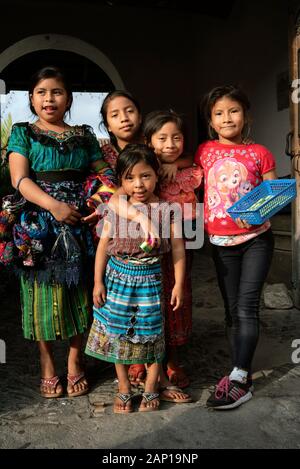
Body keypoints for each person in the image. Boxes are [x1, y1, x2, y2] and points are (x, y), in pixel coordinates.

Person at [7, 66, 112, 398]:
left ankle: (74, 360)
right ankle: (47, 364)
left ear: (68, 99)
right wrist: (54, 206)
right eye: (41, 92)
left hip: (79, 223)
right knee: (39, 297)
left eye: (56, 92)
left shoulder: (84, 135)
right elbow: (19, 179)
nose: (49, 98)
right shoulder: (23, 133)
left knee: (78, 293)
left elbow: (108, 176)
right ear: (31, 99)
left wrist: (97, 204)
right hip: (35, 225)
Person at [89, 91, 193, 391]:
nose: (124, 117)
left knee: (162, 310)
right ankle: (137, 368)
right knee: (127, 316)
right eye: (114, 113)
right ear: (106, 122)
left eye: (130, 110)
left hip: (163, 254)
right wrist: (143, 219)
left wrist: (179, 162)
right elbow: (114, 202)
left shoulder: (155, 150)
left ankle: (164, 364)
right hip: (125, 261)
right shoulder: (109, 158)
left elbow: (177, 249)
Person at [85, 143, 186, 413]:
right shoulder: (115, 208)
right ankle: (123, 388)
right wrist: (98, 282)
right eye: (130, 178)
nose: (138, 184)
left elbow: (177, 248)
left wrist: (178, 284)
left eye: (145, 175)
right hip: (117, 278)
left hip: (151, 280)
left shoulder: (168, 210)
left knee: (153, 333)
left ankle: (152, 388)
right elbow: (103, 247)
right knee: (117, 333)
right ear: (121, 181)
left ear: (156, 174)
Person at [194, 85, 277, 409]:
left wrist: (258, 211)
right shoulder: (203, 151)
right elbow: (187, 173)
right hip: (220, 243)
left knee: (246, 306)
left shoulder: (260, 152)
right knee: (231, 311)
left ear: (246, 115)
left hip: (256, 239)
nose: (227, 118)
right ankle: (239, 367)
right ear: (211, 121)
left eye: (233, 111)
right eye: (219, 113)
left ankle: (241, 377)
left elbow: (275, 193)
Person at [143, 110, 203, 389]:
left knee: (177, 298)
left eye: (176, 138)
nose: (170, 144)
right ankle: (141, 358)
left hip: (181, 247)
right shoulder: (145, 169)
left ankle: (172, 359)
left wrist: (178, 163)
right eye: (162, 138)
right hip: (148, 249)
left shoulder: (189, 171)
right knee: (147, 301)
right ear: (149, 142)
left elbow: (194, 159)